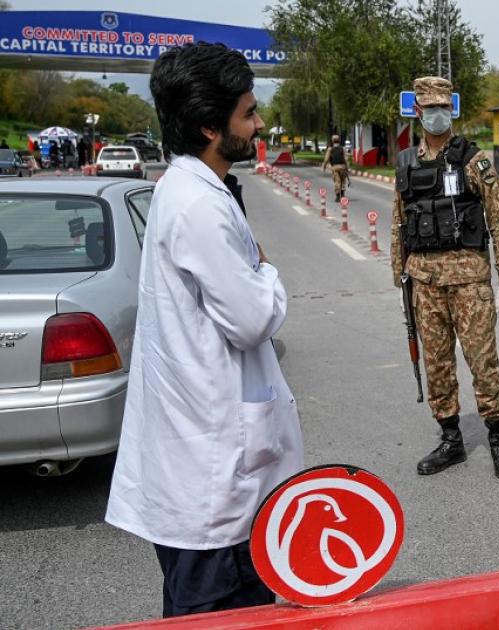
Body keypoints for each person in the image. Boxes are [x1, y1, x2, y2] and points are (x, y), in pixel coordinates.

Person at [105, 42, 303, 618]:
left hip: (206, 467)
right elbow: (251, 319)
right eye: (248, 113)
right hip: (211, 482)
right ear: (210, 128)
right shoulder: (199, 205)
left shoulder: (190, 188)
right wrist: (267, 271)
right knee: (220, 614)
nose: (259, 124)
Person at [390, 76, 499, 479]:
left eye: (443, 108)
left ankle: (498, 437)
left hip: (469, 281)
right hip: (424, 282)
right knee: (437, 364)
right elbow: (399, 223)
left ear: (452, 110)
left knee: (482, 361)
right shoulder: (406, 163)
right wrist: (399, 280)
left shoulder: (473, 160)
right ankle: (451, 439)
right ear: (417, 112)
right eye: (429, 109)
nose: (437, 115)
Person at [322, 134, 349, 201]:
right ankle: (342, 195)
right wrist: (348, 168)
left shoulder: (330, 149)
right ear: (339, 140)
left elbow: (326, 159)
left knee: (337, 181)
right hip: (342, 167)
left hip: (335, 167)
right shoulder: (342, 148)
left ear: (332, 140)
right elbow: (346, 159)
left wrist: (324, 167)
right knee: (343, 181)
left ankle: (338, 197)